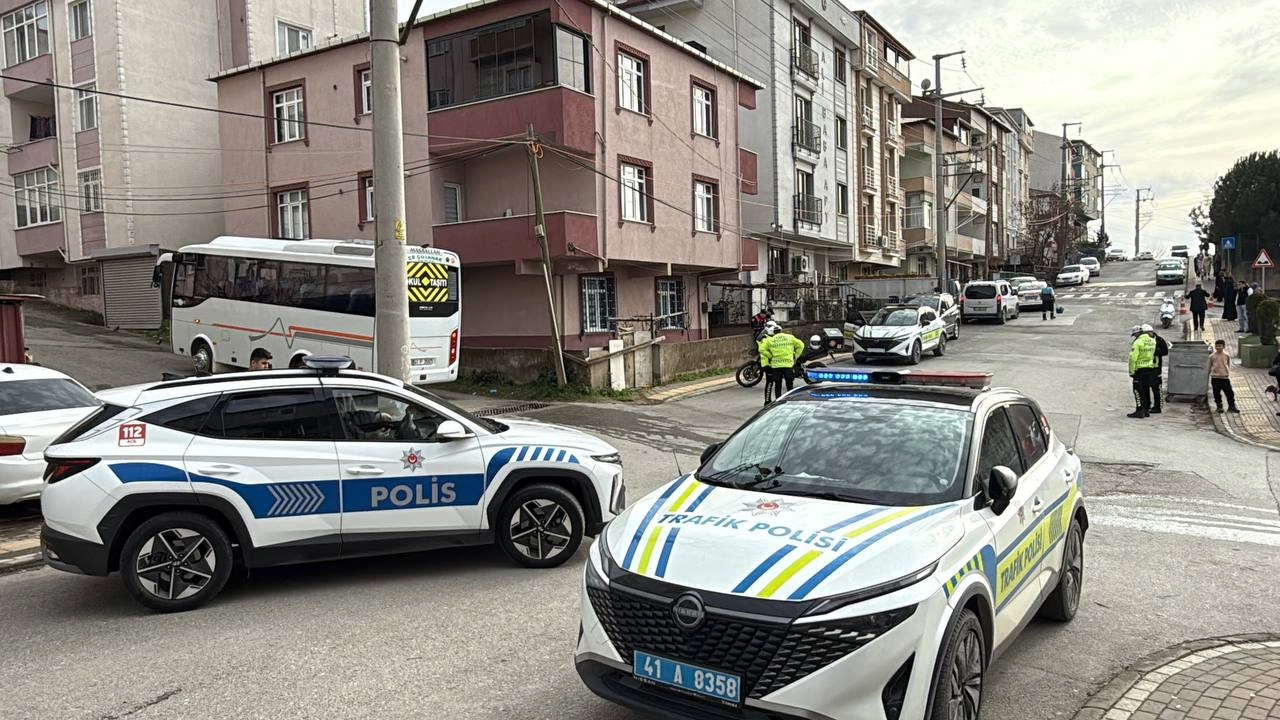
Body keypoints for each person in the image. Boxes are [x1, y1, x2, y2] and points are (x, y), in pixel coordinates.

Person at [757, 323, 805, 406]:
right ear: (781, 330)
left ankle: (778, 402)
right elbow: (801, 345)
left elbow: (761, 349)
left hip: (776, 366)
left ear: (773, 332)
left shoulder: (770, 339)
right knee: (789, 383)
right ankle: (790, 400)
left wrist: (770, 356)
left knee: (777, 384)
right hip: (788, 365)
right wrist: (795, 356)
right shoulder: (789, 337)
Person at [1127, 324, 1158, 419]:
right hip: (1150, 368)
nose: (1135, 337)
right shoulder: (1152, 341)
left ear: (1138, 333)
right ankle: (1146, 410)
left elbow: (1132, 358)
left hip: (1139, 370)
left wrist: (1131, 371)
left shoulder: (1138, 342)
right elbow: (1154, 355)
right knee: (1145, 390)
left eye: (1135, 335)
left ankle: (1139, 410)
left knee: (1137, 390)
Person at [1208, 339, 1240, 414]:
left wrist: (1227, 373)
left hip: (1225, 377)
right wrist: (1208, 375)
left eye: (1220, 346)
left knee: (1230, 393)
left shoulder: (1226, 355)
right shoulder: (1212, 356)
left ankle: (1232, 406)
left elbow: (1228, 365)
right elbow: (1209, 366)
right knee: (1216, 393)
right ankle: (1219, 406)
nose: (1218, 347)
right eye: (1217, 346)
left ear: (1223, 346)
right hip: (1215, 378)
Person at [1147, 327, 1170, 414]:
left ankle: (1158, 406)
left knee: (1156, 388)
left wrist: (1153, 351)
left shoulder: (1159, 340)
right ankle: (1147, 405)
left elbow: (1165, 351)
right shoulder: (1144, 340)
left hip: (1156, 368)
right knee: (1145, 387)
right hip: (1146, 367)